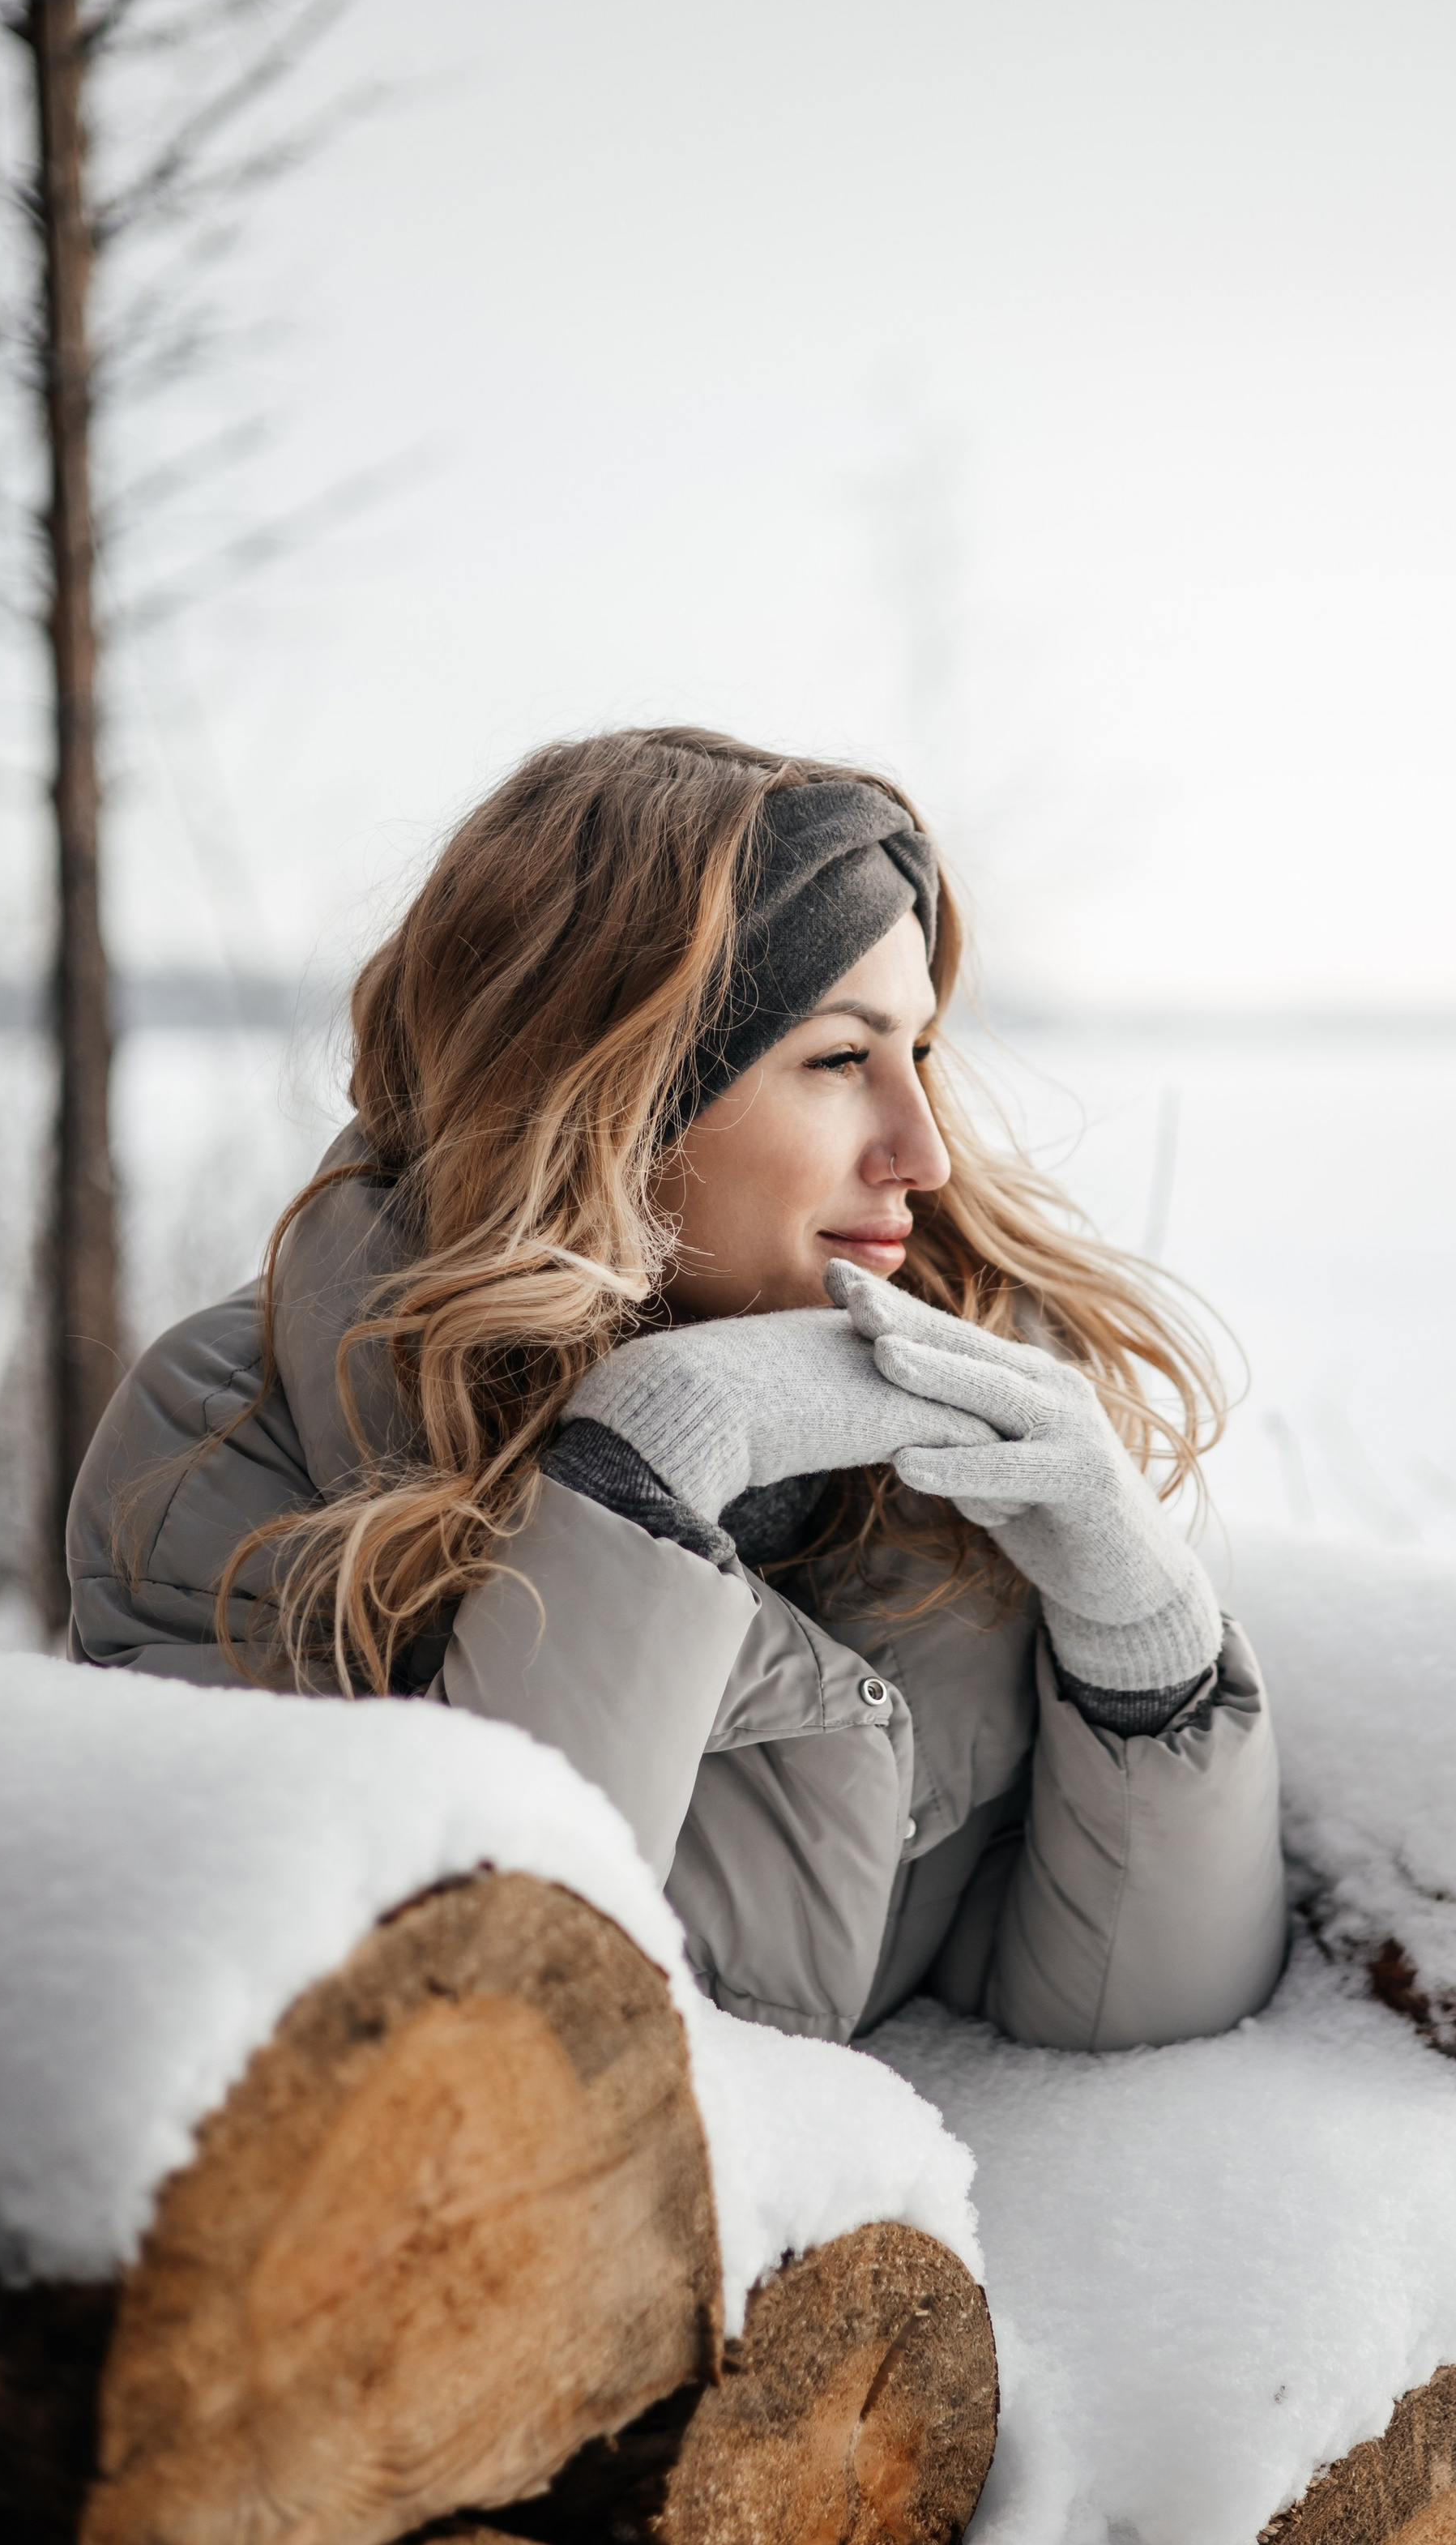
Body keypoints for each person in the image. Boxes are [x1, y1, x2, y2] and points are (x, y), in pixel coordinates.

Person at [68, 729, 1287, 2051]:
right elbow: (457, 2048)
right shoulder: (226, 1449)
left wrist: (1144, 1646)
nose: (924, 1154)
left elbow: (1128, 2023)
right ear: (609, 1090)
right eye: (840, 1060)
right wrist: (644, 1472)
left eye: (922, 1054)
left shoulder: (954, 1424)